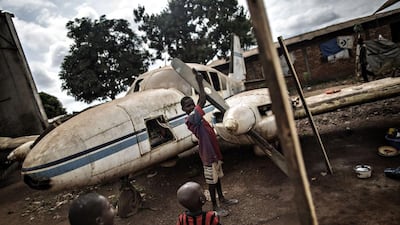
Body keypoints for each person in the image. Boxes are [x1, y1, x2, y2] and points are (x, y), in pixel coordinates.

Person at [180, 68, 238, 217]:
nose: (191, 107)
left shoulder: (196, 116)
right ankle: (215, 207)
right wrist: (199, 82)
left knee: (217, 178)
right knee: (211, 182)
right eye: (187, 106)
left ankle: (222, 199)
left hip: (214, 152)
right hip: (207, 155)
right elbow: (203, 100)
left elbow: (200, 102)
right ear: (183, 110)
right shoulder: (191, 118)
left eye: (192, 104)